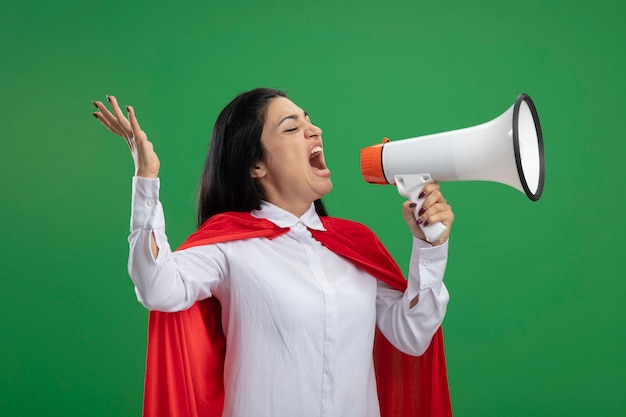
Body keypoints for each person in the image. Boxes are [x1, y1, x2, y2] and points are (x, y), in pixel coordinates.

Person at [92, 87, 455, 417]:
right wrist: (146, 178)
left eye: (310, 121)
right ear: (255, 165)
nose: (315, 131)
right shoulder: (228, 245)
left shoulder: (355, 243)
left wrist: (431, 246)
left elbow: (411, 334)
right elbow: (157, 288)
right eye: (291, 127)